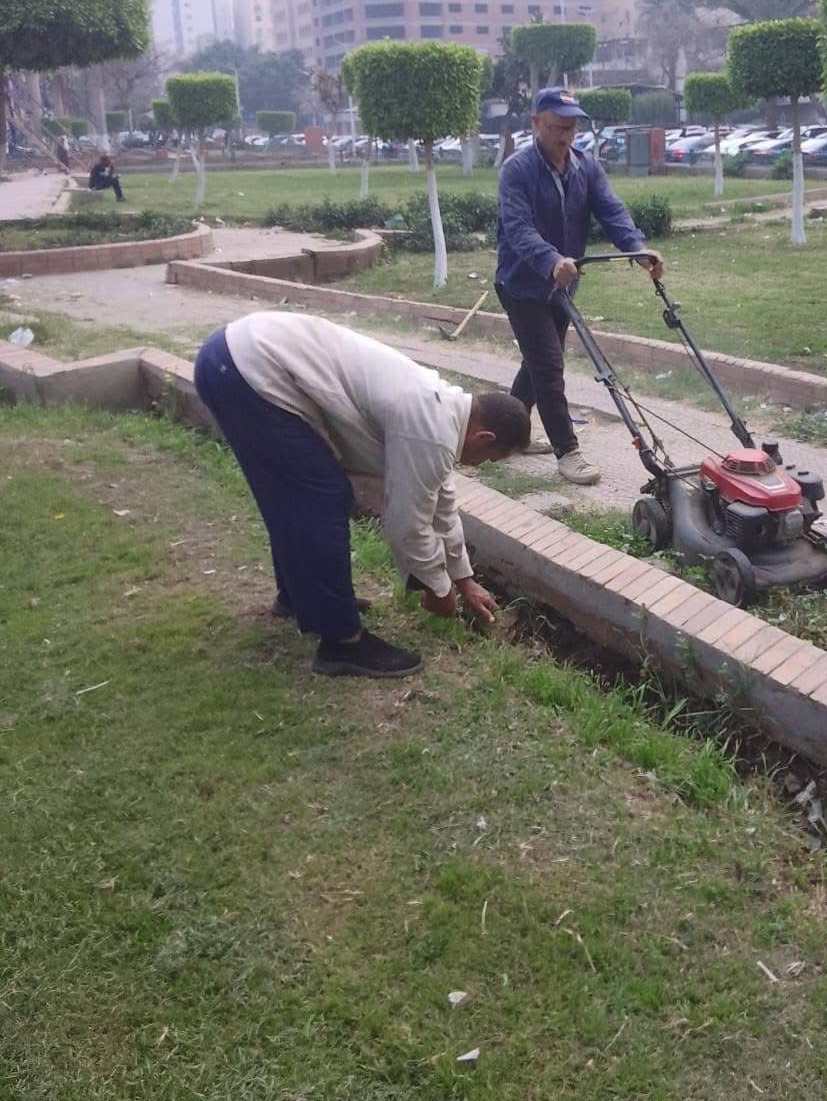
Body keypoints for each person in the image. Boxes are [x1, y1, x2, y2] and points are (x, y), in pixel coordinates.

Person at [194, 312, 530, 678]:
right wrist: (438, 589)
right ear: (484, 438)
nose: (478, 466)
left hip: (236, 360)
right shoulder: (432, 429)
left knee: (296, 498)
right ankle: (343, 642)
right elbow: (406, 524)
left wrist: (463, 580)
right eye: (488, 459)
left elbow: (441, 504)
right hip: (246, 370)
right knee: (321, 496)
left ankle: (301, 598)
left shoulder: (444, 412)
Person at [495, 87, 663, 486]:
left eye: (570, 128)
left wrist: (638, 249)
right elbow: (518, 228)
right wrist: (551, 260)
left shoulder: (585, 167)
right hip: (522, 284)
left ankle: (507, 434)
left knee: (537, 362)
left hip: (563, 286)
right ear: (536, 123)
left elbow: (611, 211)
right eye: (556, 127)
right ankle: (567, 451)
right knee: (548, 365)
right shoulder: (517, 170)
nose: (564, 136)